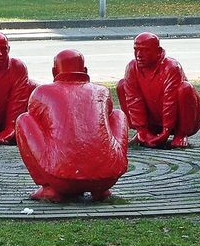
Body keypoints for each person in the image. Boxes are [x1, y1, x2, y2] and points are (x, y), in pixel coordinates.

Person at [15, 50, 129, 202]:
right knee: (117, 115)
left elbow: (37, 120)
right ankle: (101, 190)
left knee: (24, 120)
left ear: (54, 71)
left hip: (60, 177)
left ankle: (49, 188)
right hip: (107, 176)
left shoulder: (41, 92)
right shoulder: (102, 91)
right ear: (85, 71)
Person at [116, 32, 200, 148]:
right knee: (122, 85)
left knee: (185, 89)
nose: (139, 55)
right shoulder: (132, 67)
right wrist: (142, 129)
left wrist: (166, 131)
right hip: (153, 120)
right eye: (136, 50)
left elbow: (170, 100)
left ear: (158, 51)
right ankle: (142, 132)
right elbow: (133, 99)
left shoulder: (171, 66)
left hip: (180, 120)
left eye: (145, 50)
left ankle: (181, 133)